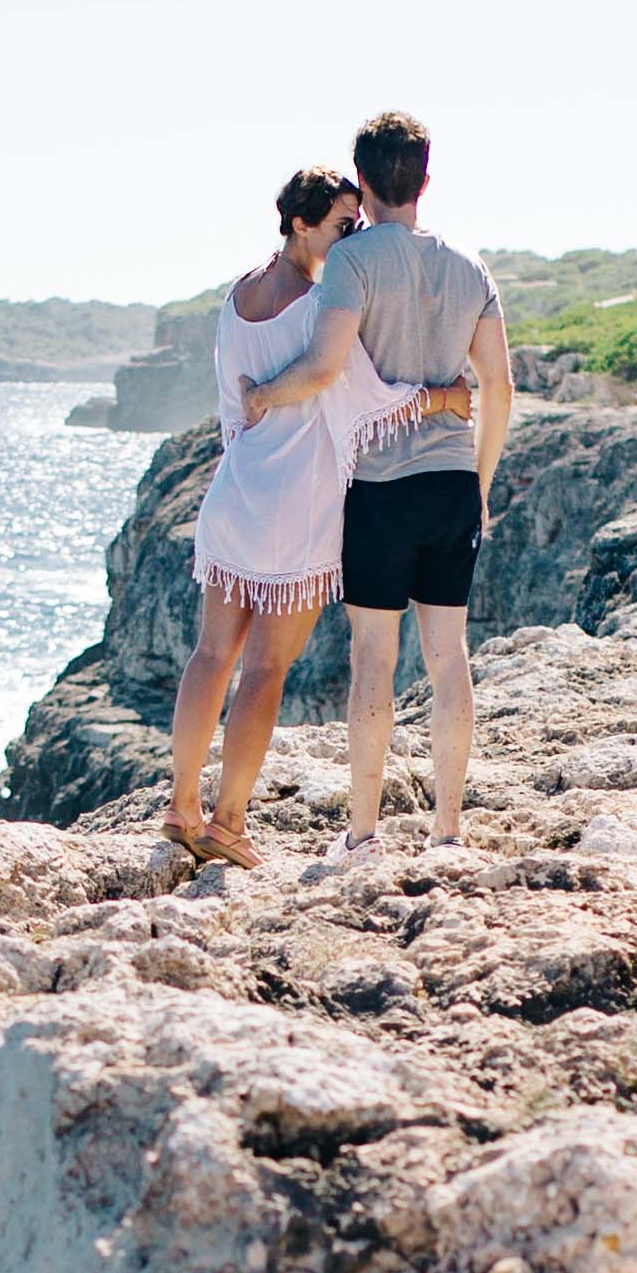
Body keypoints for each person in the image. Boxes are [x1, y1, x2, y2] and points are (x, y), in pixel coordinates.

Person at [255, 106, 513, 849]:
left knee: (373, 657)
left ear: (362, 183)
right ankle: (448, 831)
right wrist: (480, 482)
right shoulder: (470, 267)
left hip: (377, 488)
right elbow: (498, 386)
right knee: (448, 654)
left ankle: (362, 833)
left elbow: (324, 367)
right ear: (425, 179)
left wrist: (261, 395)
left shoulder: (353, 262)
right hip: (450, 482)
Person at [163, 166, 378, 866]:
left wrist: (258, 432)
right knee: (265, 670)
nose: (352, 239)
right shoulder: (322, 304)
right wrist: (441, 397)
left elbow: (234, 404)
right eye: (344, 226)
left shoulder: (236, 296)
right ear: (299, 224)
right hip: (297, 507)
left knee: (211, 653)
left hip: (235, 493)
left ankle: (181, 804)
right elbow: (364, 391)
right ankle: (227, 822)